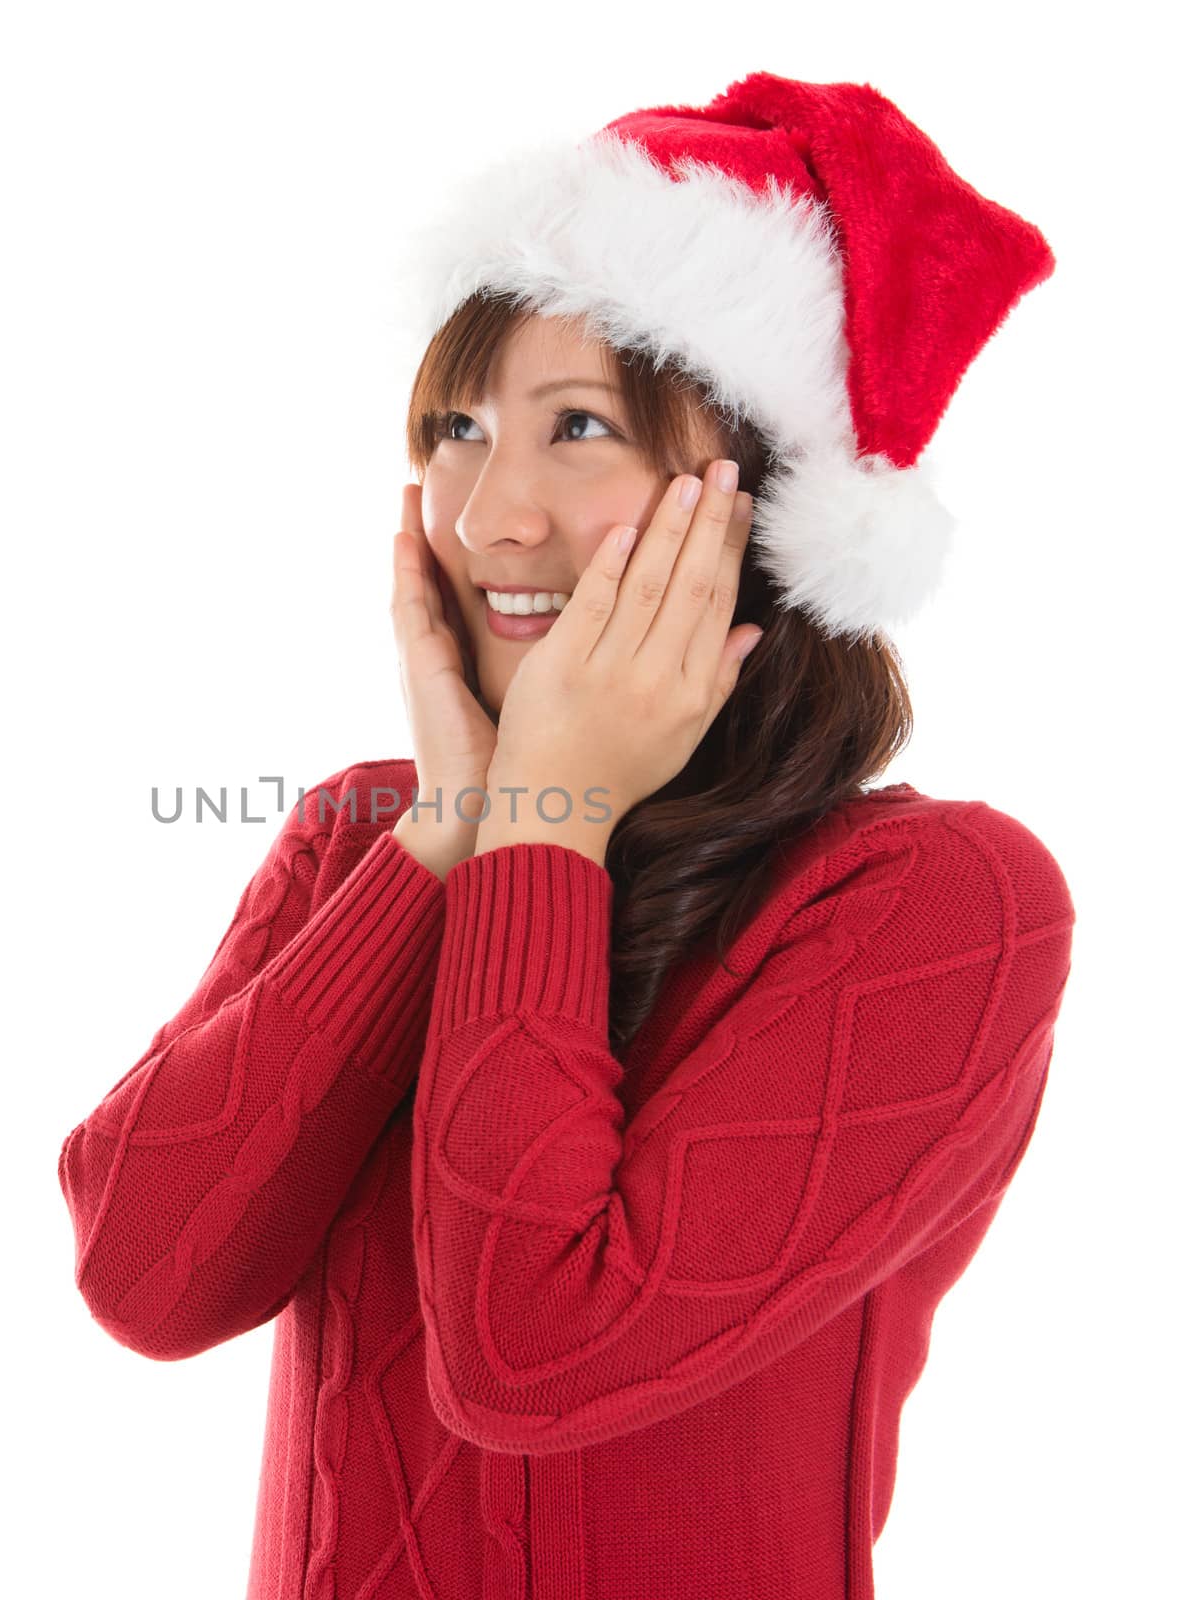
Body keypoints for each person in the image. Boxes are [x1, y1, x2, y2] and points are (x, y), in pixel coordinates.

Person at [58, 71, 1077, 1599]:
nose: (485, 520)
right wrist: (455, 833)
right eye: (458, 428)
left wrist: (551, 825)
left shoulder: (937, 904)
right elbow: (144, 1276)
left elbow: (531, 1357)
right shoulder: (369, 836)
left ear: (766, 504)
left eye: (579, 428)